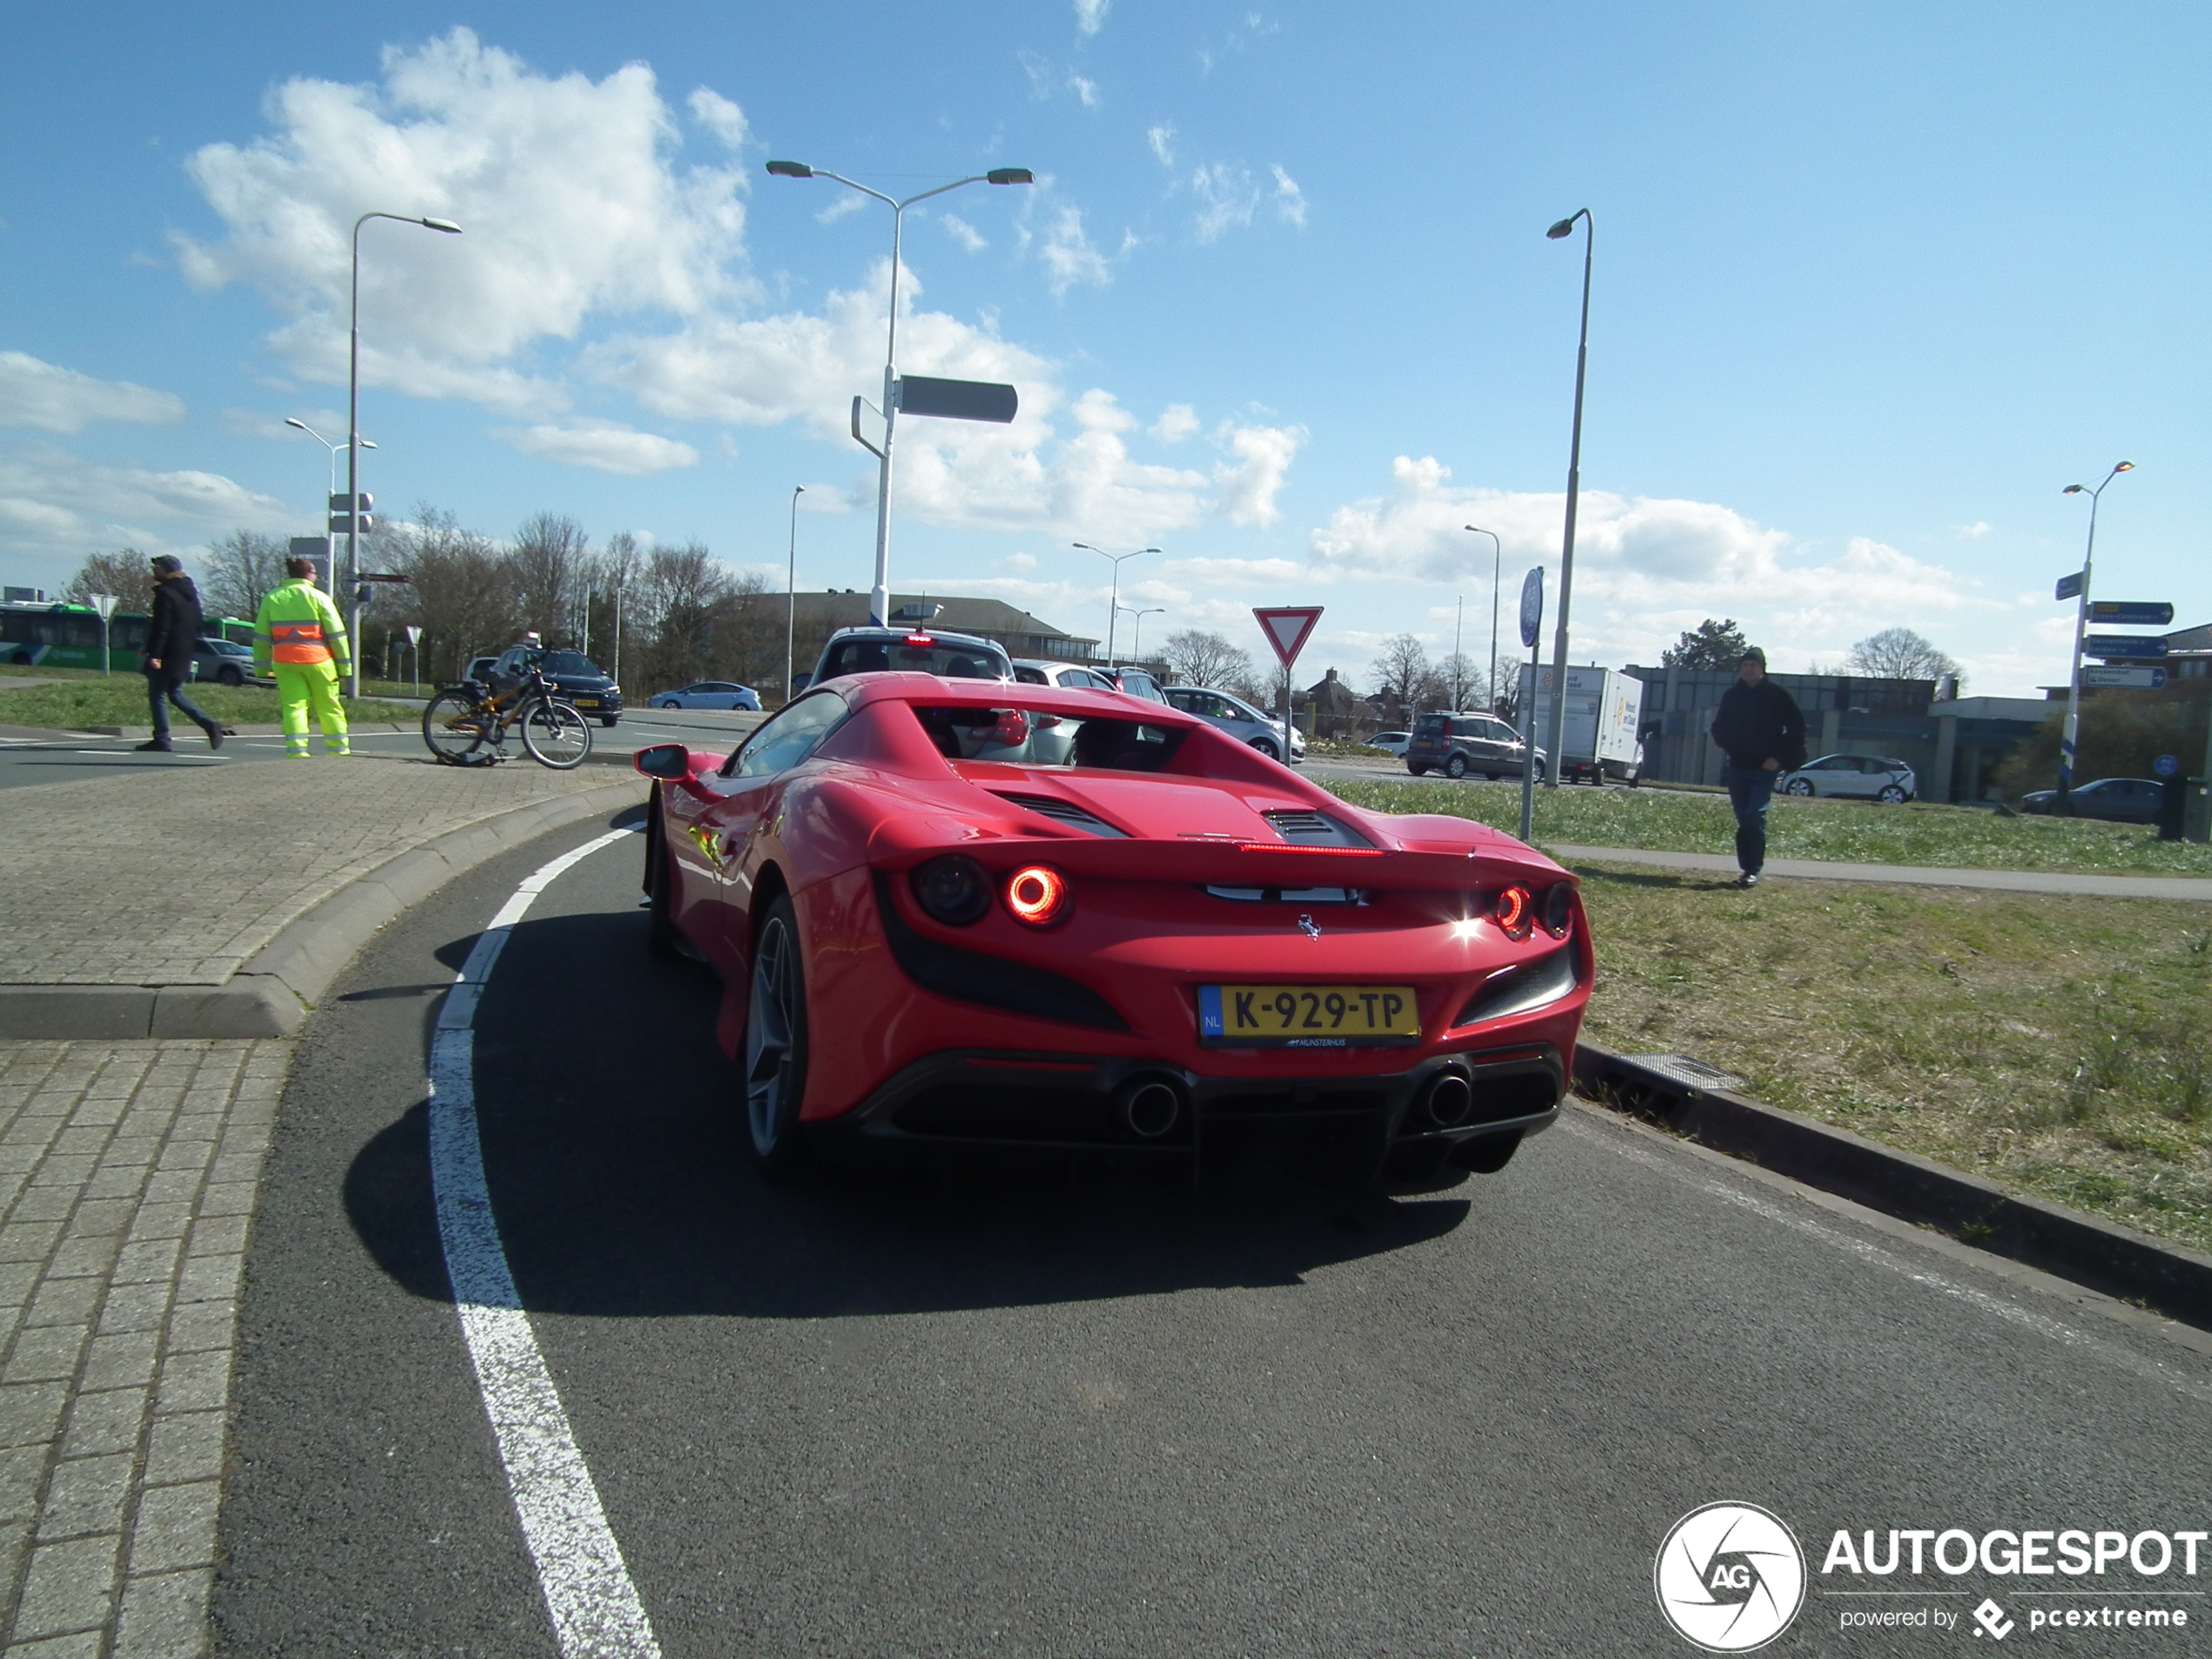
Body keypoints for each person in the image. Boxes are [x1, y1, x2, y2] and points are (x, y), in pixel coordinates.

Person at [1709, 647, 1805, 887]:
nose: (1748, 669)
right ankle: (1746, 869)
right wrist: (1730, 747)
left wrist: (1778, 757)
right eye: (1745, 665)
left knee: (1755, 814)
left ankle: (1753, 870)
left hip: (1766, 768)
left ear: (1762, 669)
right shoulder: (1732, 696)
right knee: (1744, 819)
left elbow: (1797, 730)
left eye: (1753, 665)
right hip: (1739, 766)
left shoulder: (1778, 695)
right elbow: (1719, 728)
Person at [253, 556, 352, 759]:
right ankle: (339, 750)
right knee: (329, 706)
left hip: (285, 661)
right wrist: (345, 667)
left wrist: (261, 668)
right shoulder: (319, 598)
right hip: (319, 661)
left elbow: (261, 637)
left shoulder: (272, 598)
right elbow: (337, 635)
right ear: (309, 574)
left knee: (294, 706)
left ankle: (297, 751)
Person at [137, 555, 226, 753]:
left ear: (166, 570)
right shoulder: (190, 593)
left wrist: (156, 655)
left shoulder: (165, 593)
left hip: (167, 652)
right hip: (184, 650)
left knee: (158, 694)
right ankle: (209, 725)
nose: (154, 570)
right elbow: (196, 623)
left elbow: (163, 628)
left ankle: (163, 738)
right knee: (175, 693)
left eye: (157, 567)